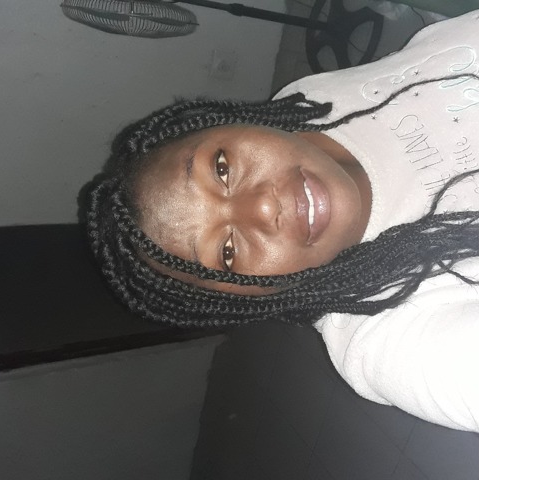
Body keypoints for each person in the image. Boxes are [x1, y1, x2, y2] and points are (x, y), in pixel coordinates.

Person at [83, 11, 479, 431]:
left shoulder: (308, 103)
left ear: (227, 123)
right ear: (248, 297)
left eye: (221, 169)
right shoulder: (387, 339)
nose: (262, 209)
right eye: (228, 252)